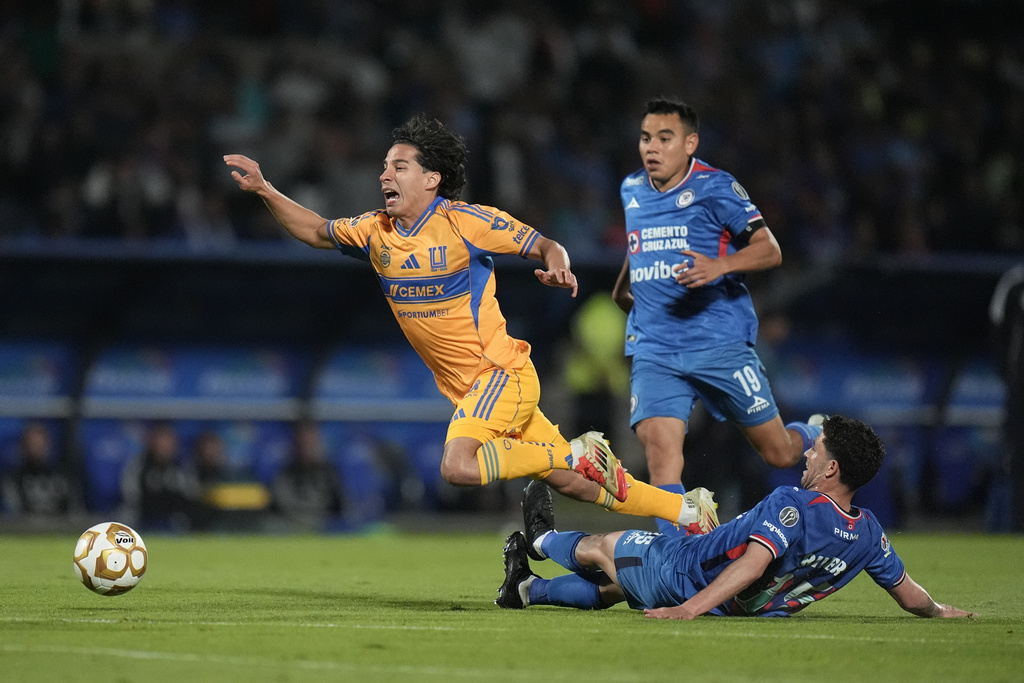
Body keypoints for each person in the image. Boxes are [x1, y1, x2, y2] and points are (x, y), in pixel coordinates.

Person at [225, 114, 717, 533]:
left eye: (399, 166)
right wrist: (264, 189)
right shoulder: (374, 232)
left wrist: (559, 263)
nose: (384, 176)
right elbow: (314, 230)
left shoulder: (465, 222)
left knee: (459, 467)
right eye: (383, 167)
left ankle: (573, 453)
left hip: (500, 374)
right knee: (581, 485)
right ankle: (687, 510)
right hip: (468, 391)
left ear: (431, 179)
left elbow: (544, 243)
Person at [496, 414, 975, 620]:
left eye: (817, 450)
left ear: (831, 468)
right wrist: (939, 610)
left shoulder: (795, 503)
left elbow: (754, 562)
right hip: (731, 601)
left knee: (605, 548)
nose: (806, 454)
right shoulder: (868, 533)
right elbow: (910, 596)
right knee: (614, 588)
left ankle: (540, 540)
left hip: (682, 571)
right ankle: (525, 589)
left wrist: (688, 609)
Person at [610, 97, 821, 534]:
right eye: (646, 138)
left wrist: (719, 266)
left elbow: (770, 249)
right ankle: (671, 560)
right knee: (662, 457)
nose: (652, 147)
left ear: (690, 143)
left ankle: (818, 432)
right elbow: (641, 242)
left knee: (779, 452)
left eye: (664, 138)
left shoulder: (716, 187)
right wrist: (625, 286)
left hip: (718, 344)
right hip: (656, 348)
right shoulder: (631, 189)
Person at [119, 421, 203, 532]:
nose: (165, 448)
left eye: (168, 444)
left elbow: (192, 493)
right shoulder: (140, 465)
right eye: (161, 444)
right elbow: (131, 494)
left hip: (175, 519)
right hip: (144, 516)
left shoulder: (182, 467)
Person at [270, 420, 345, 530]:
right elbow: (275, 508)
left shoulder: (329, 474)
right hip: (290, 528)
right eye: (303, 442)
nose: (307, 447)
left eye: (311, 442)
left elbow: (338, 510)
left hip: (321, 529)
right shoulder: (285, 473)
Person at [1, 421, 79, 517]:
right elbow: (14, 511)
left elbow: (74, 509)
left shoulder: (62, 476)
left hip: (60, 527)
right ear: (24, 446)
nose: (36, 450)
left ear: (48, 445)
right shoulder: (13, 478)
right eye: (32, 445)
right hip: (26, 528)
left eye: (39, 445)